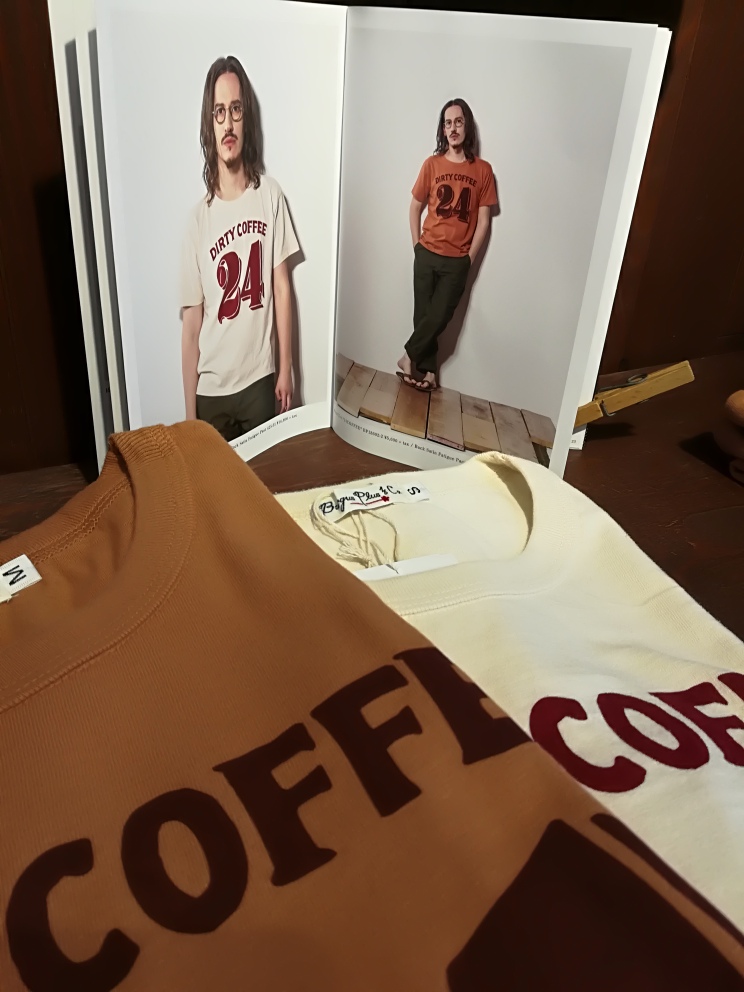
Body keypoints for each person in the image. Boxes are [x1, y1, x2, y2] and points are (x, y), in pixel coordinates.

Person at [180, 56, 299, 441]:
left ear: (246, 118)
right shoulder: (198, 220)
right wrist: (190, 417)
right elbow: (191, 326)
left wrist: (286, 367)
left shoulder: (270, 195)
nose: (228, 123)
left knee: (265, 479)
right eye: (219, 112)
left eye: (235, 110)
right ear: (209, 123)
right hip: (211, 393)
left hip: (259, 382)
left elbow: (282, 287)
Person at [397, 99, 497, 392]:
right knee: (424, 318)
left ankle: (407, 357)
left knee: (439, 316)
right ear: (443, 129)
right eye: (448, 123)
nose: (453, 128)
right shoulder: (432, 164)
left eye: (459, 122)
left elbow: (484, 221)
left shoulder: (483, 170)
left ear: (467, 127)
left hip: (457, 260)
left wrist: (469, 259)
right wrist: (417, 247)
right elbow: (414, 207)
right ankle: (429, 374)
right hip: (427, 253)